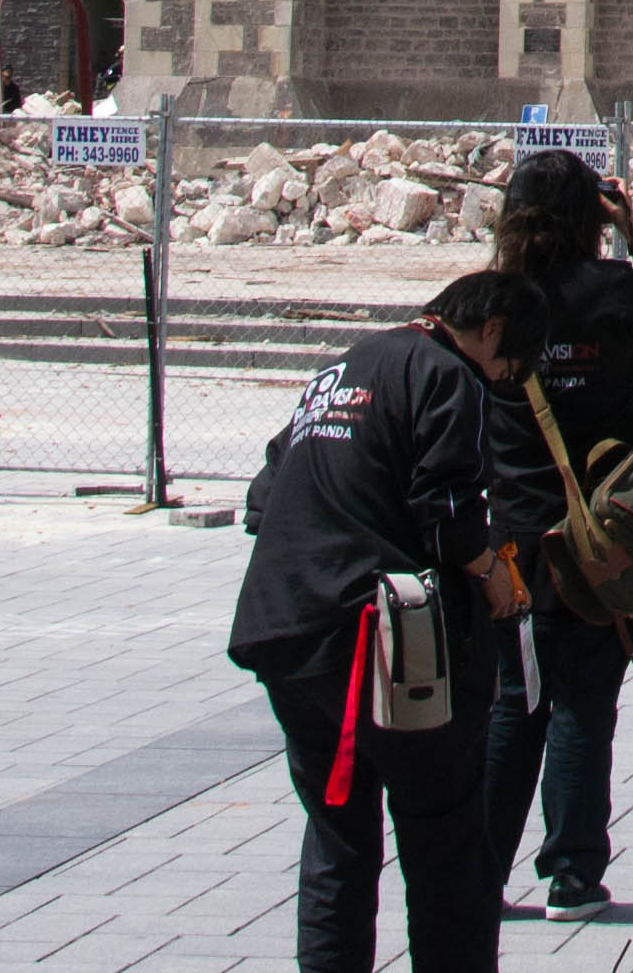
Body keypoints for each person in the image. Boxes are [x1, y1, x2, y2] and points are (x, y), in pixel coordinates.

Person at [226, 270, 543, 973]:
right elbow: (450, 510)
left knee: (338, 839)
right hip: (381, 648)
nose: (502, 380)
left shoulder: (344, 367)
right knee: (445, 838)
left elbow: (265, 492)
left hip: (289, 629)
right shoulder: (447, 375)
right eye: (508, 366)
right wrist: (492, 573)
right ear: (490, 330)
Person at [476, 150, 633, 915]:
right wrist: (632, 232)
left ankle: (479, 880)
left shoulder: (486, 304)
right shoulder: (612, 291)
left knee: (516, 706)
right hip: (602, 543)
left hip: (515, 547)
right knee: (582, 704)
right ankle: (571, 875)